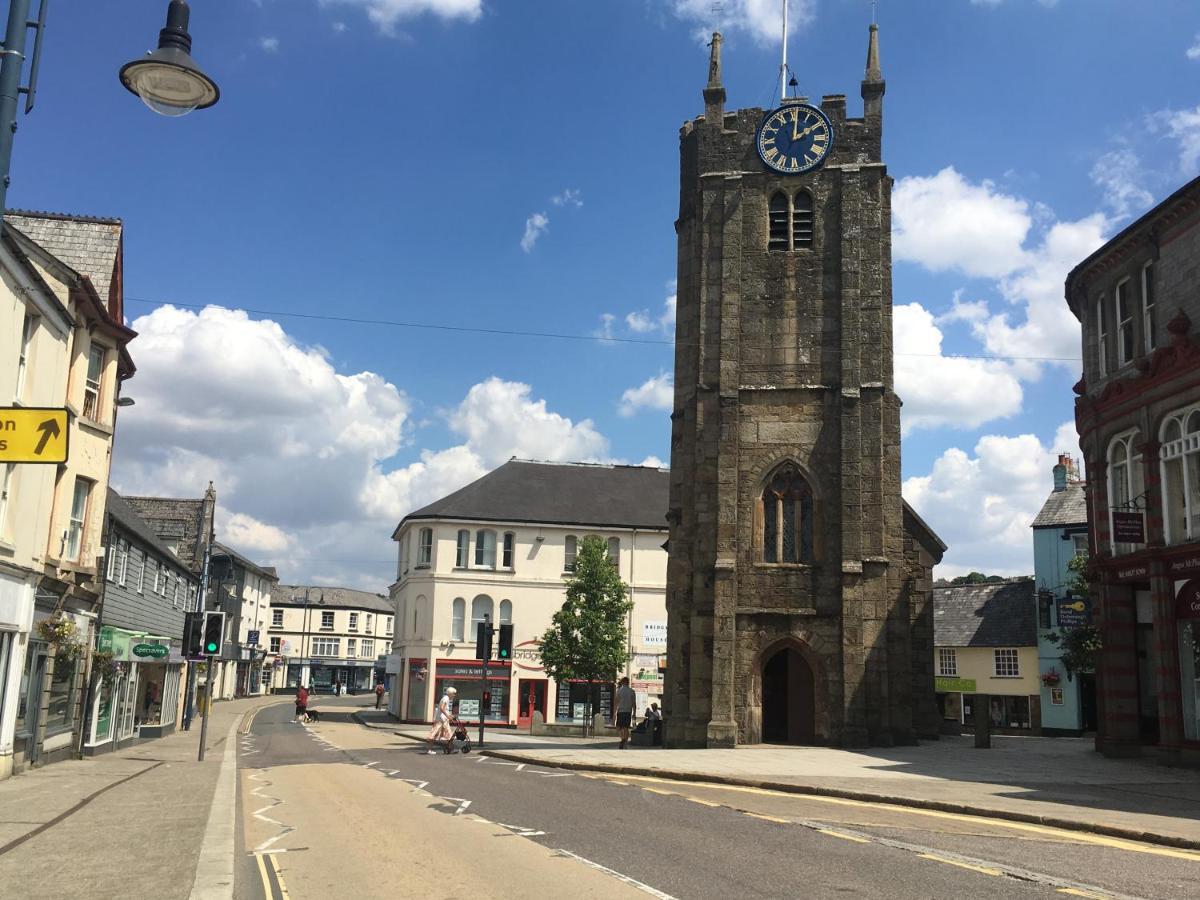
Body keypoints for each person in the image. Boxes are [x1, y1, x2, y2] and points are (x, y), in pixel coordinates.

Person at [425, 686, 456, 754]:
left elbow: (443, 709)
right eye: (453, 693)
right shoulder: (446, 698)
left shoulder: (446, 698)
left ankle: (450, 749)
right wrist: (448, 716)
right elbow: (442, 708)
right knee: (436, 734)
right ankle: (430, 750)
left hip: (442, 719)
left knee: (445, 734)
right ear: (450, 693)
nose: (454, 695)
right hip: (441, 720)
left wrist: (450, 716)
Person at [614, 676, 636, 749]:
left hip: (621, 711)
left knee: (618, 727)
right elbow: (634, 703)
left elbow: (616, 702)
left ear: (623, 682)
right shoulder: (632, 691)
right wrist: (634, 713)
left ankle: (622, 738)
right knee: (626, 727)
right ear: (628, 682)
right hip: (628, 711)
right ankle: (625, 743)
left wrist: (614, 713)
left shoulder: (619, 691)